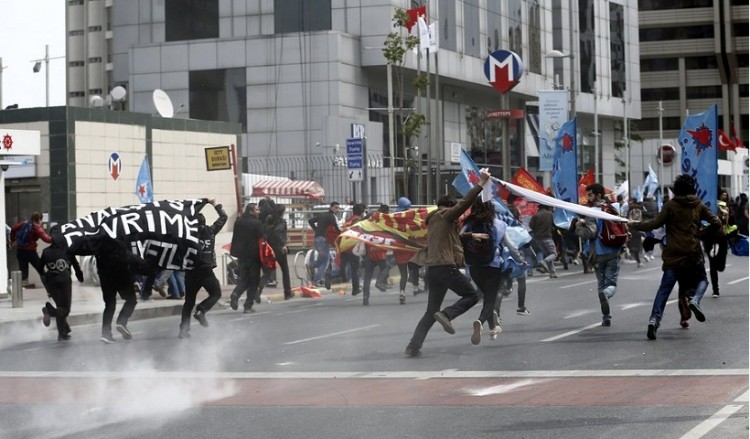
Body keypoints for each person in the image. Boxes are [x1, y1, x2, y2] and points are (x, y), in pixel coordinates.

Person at [404, 167, 491, 357]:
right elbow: (464, 203)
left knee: (430, 311)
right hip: (445, 267)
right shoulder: (446, 215)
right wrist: (481, 184)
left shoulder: (435, 220)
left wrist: (468, 235)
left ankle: (413, 346)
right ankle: (447, 315)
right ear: (449, 208)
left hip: (433, 270)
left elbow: (449, 239)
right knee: (472, 296)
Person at [628, 174, 722, 340]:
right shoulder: (698, 205)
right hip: (693, 253)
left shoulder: (670, 205)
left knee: (664, 290)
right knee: (703, 280)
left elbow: (654, 224)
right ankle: (695, 300)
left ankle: (653, 321)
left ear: (676, 189)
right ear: (692, 188)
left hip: (673, 255)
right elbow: (716, 223)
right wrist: (700, 233)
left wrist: (634, 224)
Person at [462, 198, 522, 345]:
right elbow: (511, 247)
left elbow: (459, 238)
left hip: (474, 266)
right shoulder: (499, 224)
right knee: (490, 300)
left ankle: (493, 326)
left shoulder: (468, 224)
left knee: (484, 295)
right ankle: (480, 321)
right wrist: (520, 260)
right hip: (492, 266)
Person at [573, 183, 626, 327]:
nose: (587, 197)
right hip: (614, 251)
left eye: (590, 194)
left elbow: (591, 232)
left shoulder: (593, 211)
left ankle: (606, 316)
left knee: (601, 285)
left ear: (598, 195)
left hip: (598, 254)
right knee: (612, 283)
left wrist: (578, 228)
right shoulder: (614, 208)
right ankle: (608, 294)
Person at [179, 199, 227, 338]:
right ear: (204, 222)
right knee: (216, 293)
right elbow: (223, 217)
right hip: (206, 270)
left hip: (191, 270)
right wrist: (215, 204)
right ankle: (201, 310)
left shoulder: (187, 235)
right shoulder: (210, 231)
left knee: (189, 301)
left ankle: (183, 330)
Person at [91, 236, 151, 343]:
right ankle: (121, 321)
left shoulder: (100, 245)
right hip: (121, 277)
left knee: (109, 305)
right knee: (131, 300)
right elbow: (130, 257)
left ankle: (106, 333)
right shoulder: (119, 244)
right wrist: (144, 266)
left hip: (105, 279)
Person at [39, 225, 84, 341]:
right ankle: (48, 310)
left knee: (60, 308)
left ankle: (62, 333)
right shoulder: (68, 251)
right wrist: (80, 276)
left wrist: (46, 286)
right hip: (64, 280)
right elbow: (75, 264)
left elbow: (41, 270)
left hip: (51, 281)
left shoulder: (46, 252)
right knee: (65, 310)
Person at [229, 203, 264, 313]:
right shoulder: (257, 223)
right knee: (254, 281)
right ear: (251, 211)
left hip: (241, 255)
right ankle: (248, 306)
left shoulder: (238, 222)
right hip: (253, 256)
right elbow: (262, 237)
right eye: (257, 210)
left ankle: (236, 294)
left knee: (244, 279)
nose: (259, 212)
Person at [258, 203, 293, 301]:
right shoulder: (281, 221)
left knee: (268, 271)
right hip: (278, 248)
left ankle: (259, 288)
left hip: (269, 247)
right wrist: (283, 244)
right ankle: (287, 292)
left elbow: (265, 231)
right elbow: (278, 232)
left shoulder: (269, 219)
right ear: (282, 212)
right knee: (285, 270)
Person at [10, 212, 52, 288]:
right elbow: (46, 239)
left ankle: (12, 283)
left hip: (20, 252)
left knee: (24, 274)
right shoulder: (36, 227)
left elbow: (13, 228)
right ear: (39, 219)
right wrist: (56, 239)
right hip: (31, 253)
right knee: (41, 271)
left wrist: (13, 240)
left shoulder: (24, 223)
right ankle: (50, 290)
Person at [308, 202, 341, 287]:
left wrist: (316, 230)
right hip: (323, 241)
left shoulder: (322, 215)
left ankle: (311, 265)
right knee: (324, 263)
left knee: (321, 261)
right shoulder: (332, 216)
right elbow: (336, 228)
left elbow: (310, 221)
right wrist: (342, 234)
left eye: (338, 208)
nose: (337, 210)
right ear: (331, 207)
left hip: (317, 239)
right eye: (336, 208)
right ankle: (316, 281)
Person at [706, 189, 730, 297]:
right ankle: (715, 290)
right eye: (722, 195)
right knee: (713, 265)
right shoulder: (709, 206)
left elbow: (728, 222)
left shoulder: (725, 208)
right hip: (710, 239)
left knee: (720, 266)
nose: (723, 196)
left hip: (722, 238)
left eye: (725, 195)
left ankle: (719, 265)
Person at [340, 203, 366, 296]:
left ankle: (330, 276)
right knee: (355, 269)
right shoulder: (357, 221)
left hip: (344, 246)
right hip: (352, 248)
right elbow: (358, 234)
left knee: (343, 266)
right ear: (362, 212)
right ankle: (355, 289)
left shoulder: (348, 219)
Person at [528, 205, 558, 278]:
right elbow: (555, 224)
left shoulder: (535, 215)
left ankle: (552, 272)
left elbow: (531, 226)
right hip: (547, 237)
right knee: (553, 254)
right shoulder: (550, 214)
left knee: (548, 254)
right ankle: (544, 261)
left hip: (538, 238)